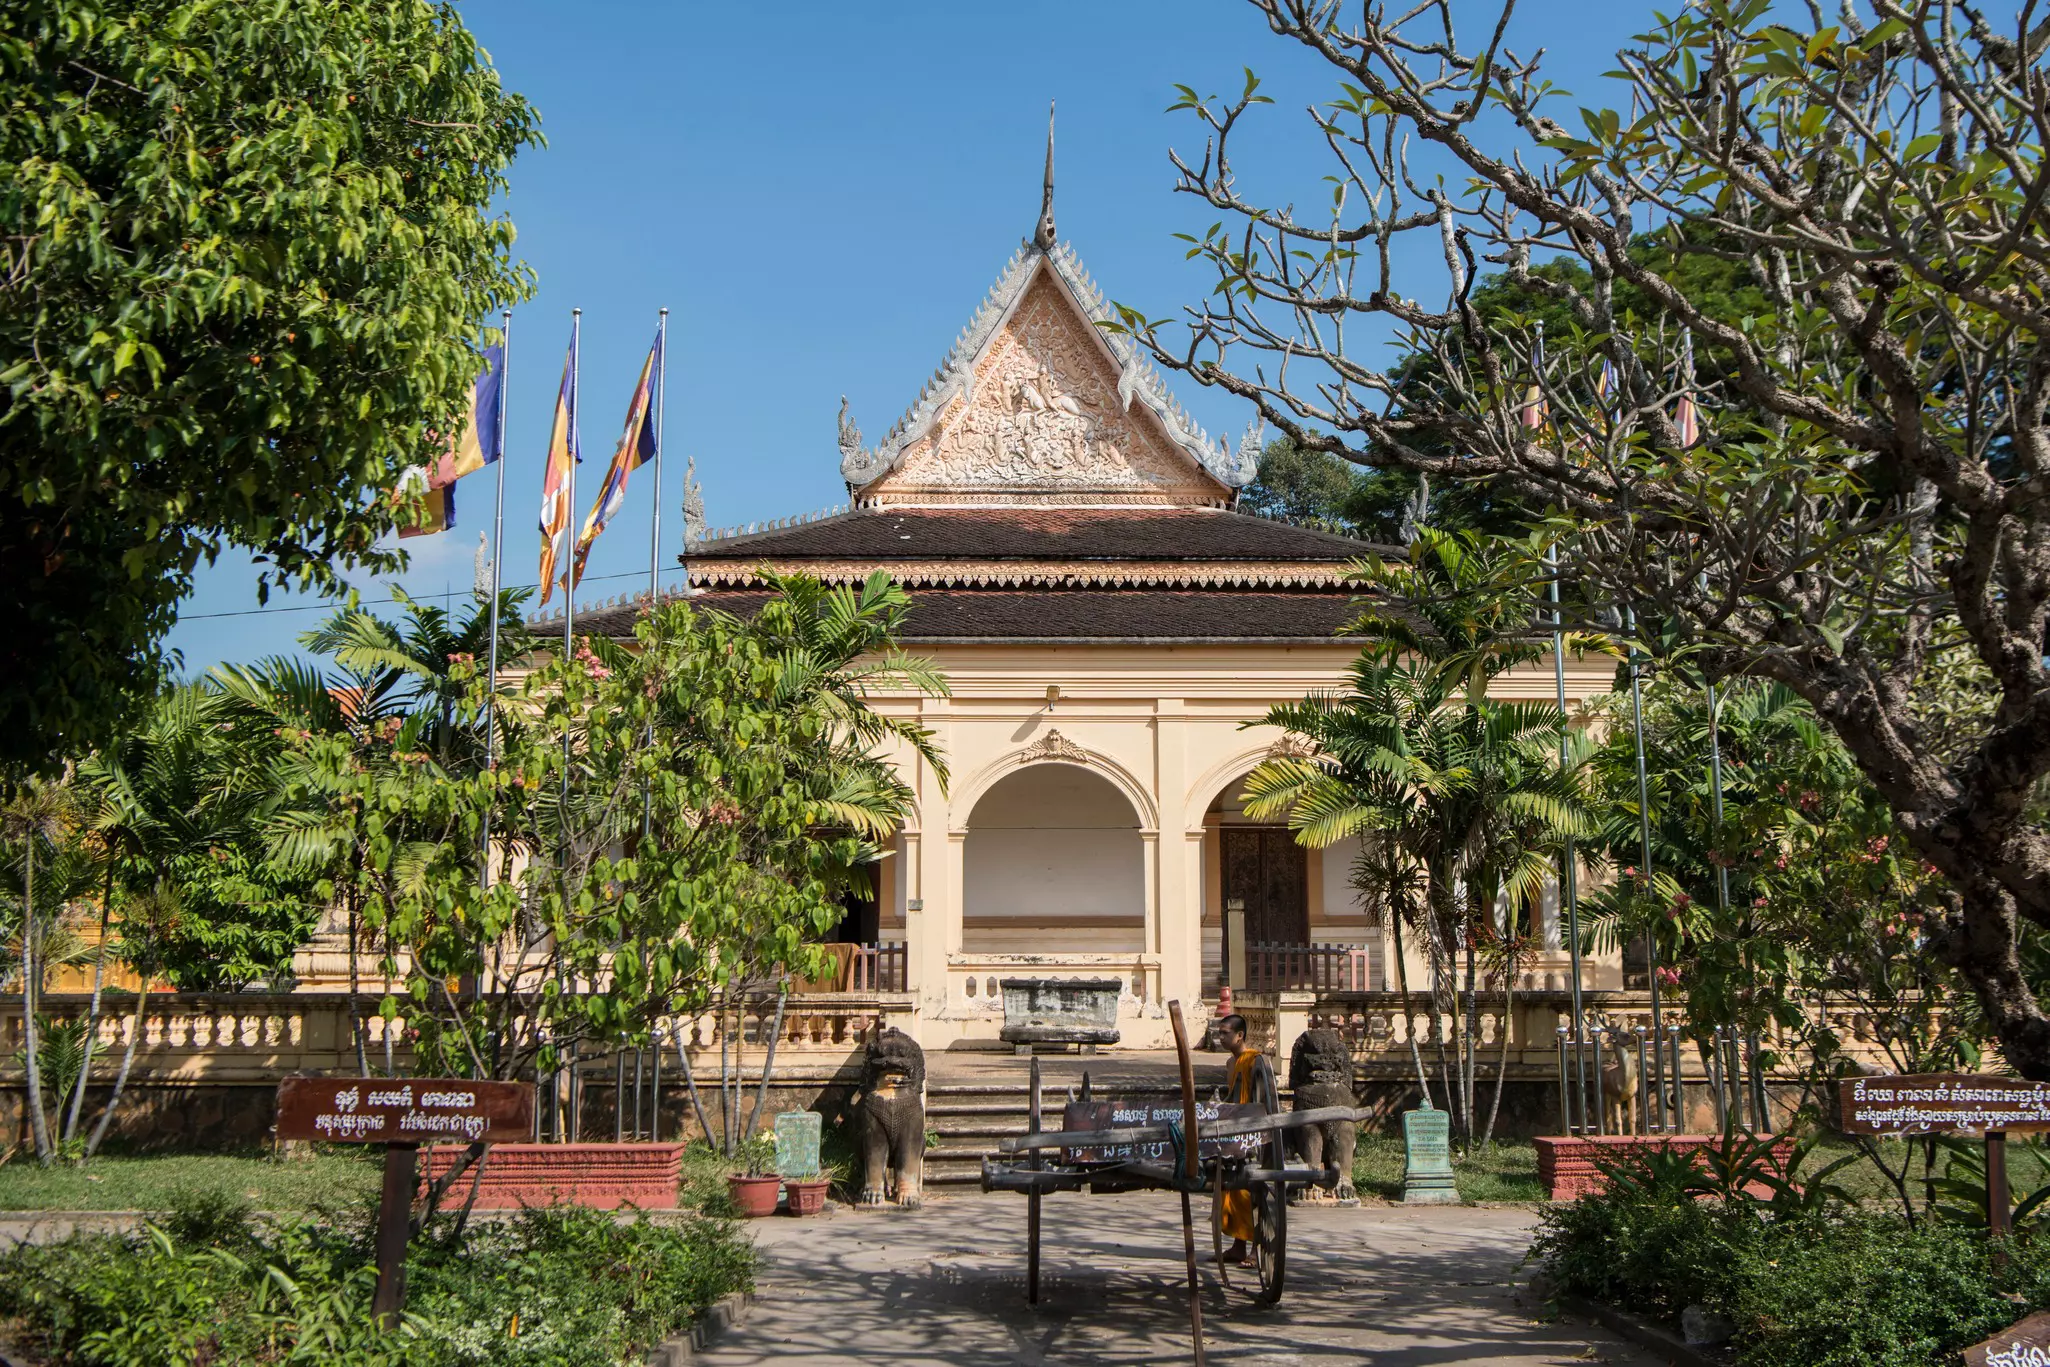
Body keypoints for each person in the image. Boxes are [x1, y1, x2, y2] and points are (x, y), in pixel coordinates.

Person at [1214, 1012, 1261, 1265]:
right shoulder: (1231, 1064)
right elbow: (1232, 1097)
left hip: (1253, 1132)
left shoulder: (1255, 1061)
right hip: (1233, 1130)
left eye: (1225, 1033)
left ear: (1239, 1035)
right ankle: (1238, 1246)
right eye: (1219, 1033)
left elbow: (1261, 1099)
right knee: (1232, 1186)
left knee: (1253, 1191)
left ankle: (1256, 1251)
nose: (1220, 1037)